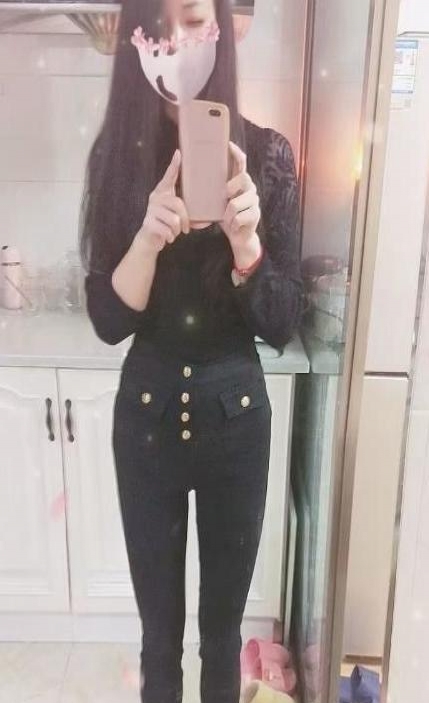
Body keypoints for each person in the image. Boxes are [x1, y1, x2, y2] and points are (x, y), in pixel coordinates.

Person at [79, 2, 304, 702]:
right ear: (138, 39)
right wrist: (148, 238)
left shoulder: (267, 155)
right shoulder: (116, 156)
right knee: (158, 640)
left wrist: (247, 245)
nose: (178, 39)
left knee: (222, 636)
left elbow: (281, 321)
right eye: (162, 23)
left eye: (195, 18)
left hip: (237, 420)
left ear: (221, 30)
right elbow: (108, 319)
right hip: (144, 420)